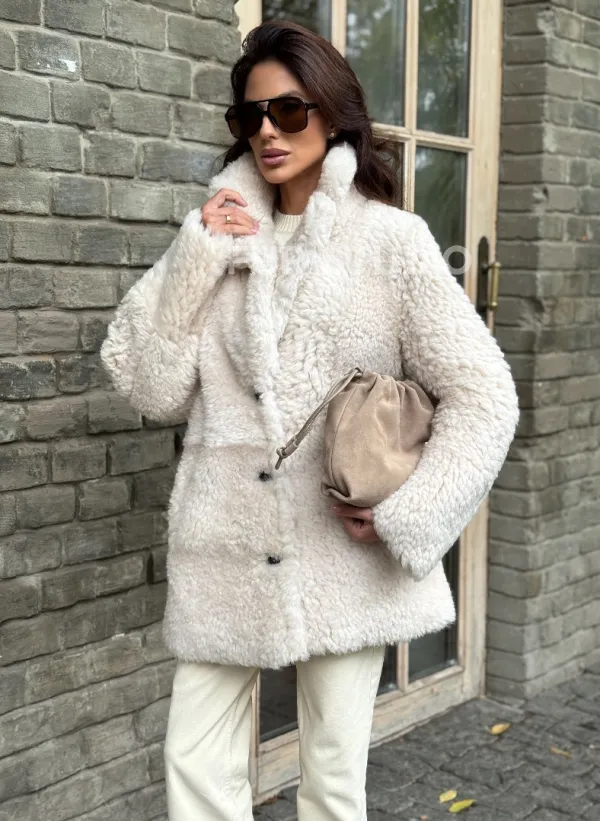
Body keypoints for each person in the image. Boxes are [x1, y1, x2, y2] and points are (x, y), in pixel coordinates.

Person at [100, 19, 519, 821]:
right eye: (250, 116)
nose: (267, 132)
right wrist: (193, 257)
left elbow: (485, 394)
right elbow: (148, 386)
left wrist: (408, 513)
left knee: (330, 782)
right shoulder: (217, 234)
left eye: (288, 111)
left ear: (331, 115)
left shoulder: (391, 242)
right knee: (193, 763)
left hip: (341, 559)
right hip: (223, 548)